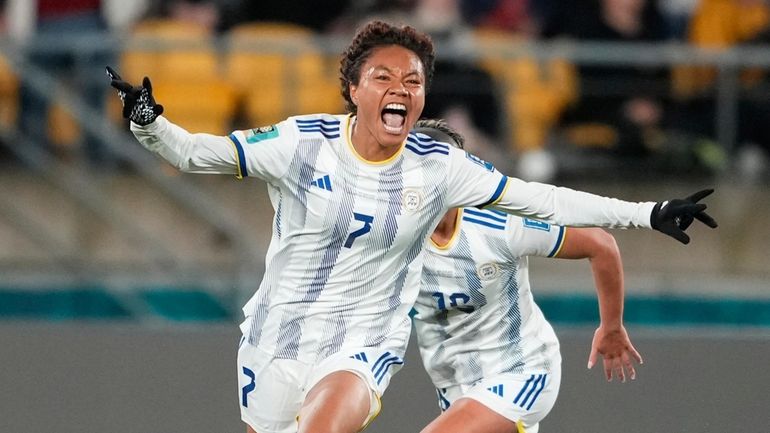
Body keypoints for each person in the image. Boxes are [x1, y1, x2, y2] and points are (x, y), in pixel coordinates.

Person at [106, 20, 716, 433]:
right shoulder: (300, 144)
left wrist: (647, 213)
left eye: (414, 81)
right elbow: (194, 154)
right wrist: (149, 124)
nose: (401, 90)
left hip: (376, 348)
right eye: (384, 78)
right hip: (277, 337)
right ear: (354, 89)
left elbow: (541, 200)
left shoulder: (446, 174)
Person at [411, 118, 641, 433]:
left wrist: (611, 327)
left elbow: (601, 245)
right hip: (457, 386)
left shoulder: (500, 221)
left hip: (521, 371)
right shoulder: (391, 235)